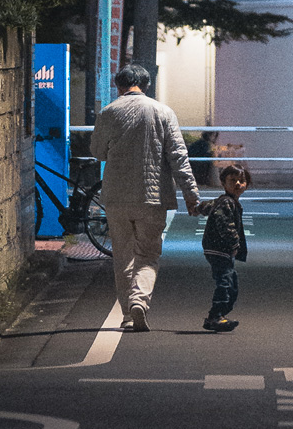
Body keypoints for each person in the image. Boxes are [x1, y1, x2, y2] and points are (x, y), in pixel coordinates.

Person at [91, 62, 201, 332]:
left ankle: (128, 313)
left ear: (119, 85)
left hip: (116, 197)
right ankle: (140, 301)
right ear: (147, 86)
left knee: (123, 256)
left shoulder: (108, 112)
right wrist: (191, 195)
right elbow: (178, 157)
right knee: (148, 255)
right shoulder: (163, 112)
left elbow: (97, 151)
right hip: (152, 198)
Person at [199, 163, 251, 333]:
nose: (237, 184)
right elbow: (226, 225)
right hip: (219, 249)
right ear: (223, 182)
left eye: (241, 181)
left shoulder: (225, 201)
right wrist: (234, 244)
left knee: (231, 282)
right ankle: (216, 316)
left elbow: (207, 207)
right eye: (232, 180)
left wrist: (197, 208)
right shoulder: (226, 202)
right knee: (225, 282)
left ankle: (216, 316)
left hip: (220, 250)